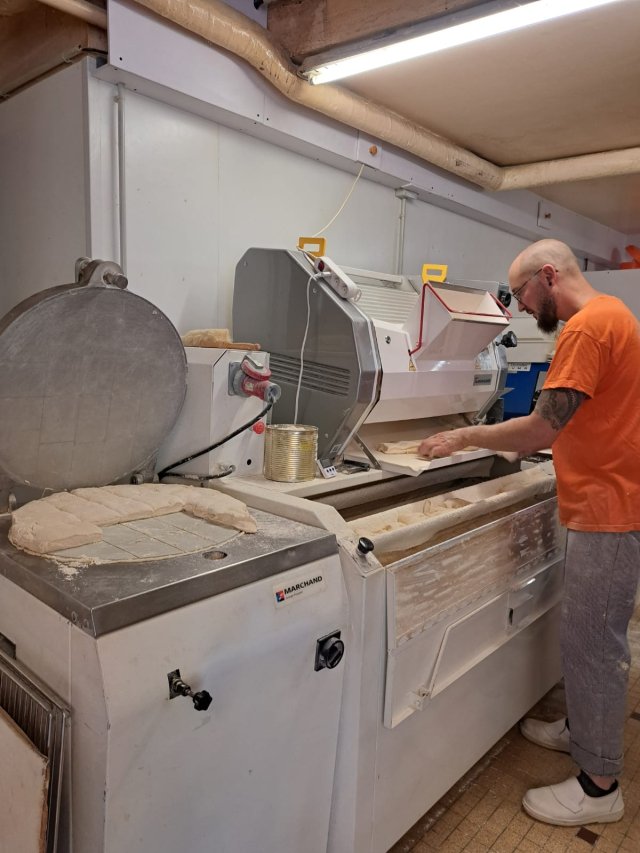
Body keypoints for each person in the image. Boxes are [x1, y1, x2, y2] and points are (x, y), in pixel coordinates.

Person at [419, 238, 640, 827]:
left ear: (548, 276)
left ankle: (599, 787)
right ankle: (581, 731)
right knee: (588, 635)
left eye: (520, 294)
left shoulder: (586, 329)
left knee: (594, 644)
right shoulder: (614, 313)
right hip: (608, 496)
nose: (518, 308)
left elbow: (542, 428)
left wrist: (463, 437)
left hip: (609, 507)